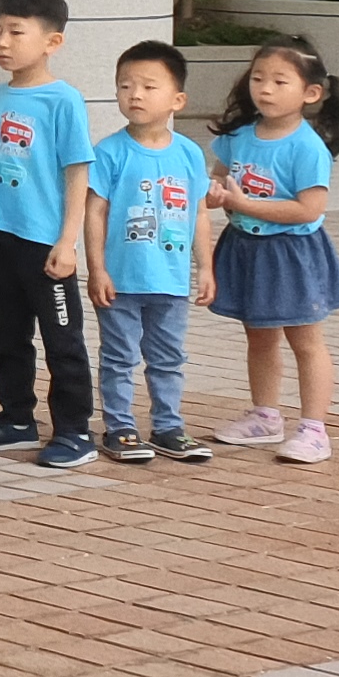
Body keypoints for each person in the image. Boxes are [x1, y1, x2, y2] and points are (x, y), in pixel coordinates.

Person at [0, 0, 98, 469]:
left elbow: (77, 172)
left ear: (52, 41)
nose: (2, 42)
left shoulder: (63, 100)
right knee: (5, 334)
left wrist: (67, 241)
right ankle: (16, 419)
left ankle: (75, 431)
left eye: (16, 31)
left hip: (45, 243)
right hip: (1, 238)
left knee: (62, 339)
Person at [205, 38, 339, 463]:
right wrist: (215, 194)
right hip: (245, 247)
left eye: (279, 81)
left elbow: (309, 209)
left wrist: (244, 204)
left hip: (291, 253)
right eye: (258, 78)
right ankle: (265, 416)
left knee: (306, 340)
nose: (265, 89)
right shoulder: (238, 136)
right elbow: (219, 178)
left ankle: (314, 429)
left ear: (311, 93)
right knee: (259, 336)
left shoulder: (307, 146)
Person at [85, 41, 218, 466]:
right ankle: (120, 428)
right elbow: (95, 212)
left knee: (168, 358)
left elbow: (199, 213)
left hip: (171, 281)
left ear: (178, 100)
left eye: (148, 86)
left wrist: (205, 267)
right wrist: (97, 269)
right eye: (125, 86)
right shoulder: (108, 152)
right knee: (119, 357)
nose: (135, 95)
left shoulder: (189, 153)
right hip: (121, 280)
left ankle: (168, 427)